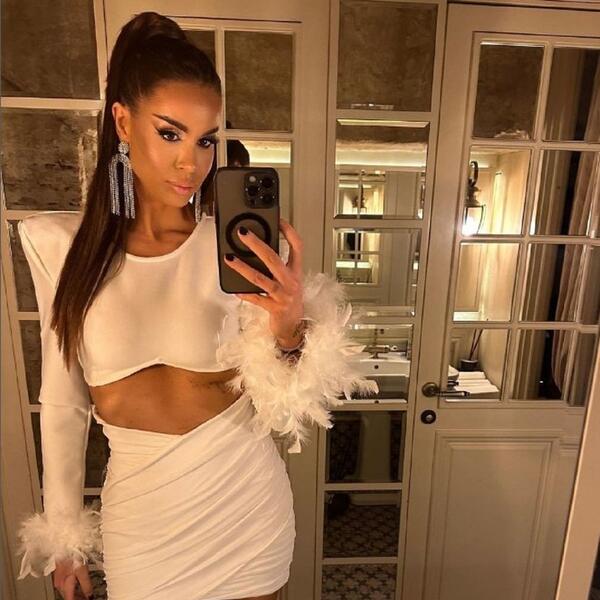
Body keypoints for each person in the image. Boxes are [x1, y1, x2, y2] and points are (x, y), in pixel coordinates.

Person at [14, 11, 377, 600]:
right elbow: (63, 403)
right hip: (144, 521)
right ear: (123, 122)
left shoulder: (237, 248)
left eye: (206, 139)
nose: (192, 161)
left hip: (245, 511)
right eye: (170, 134)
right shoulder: (60, 247)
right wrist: (65, 539)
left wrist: (290, 330)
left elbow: (285, 407)